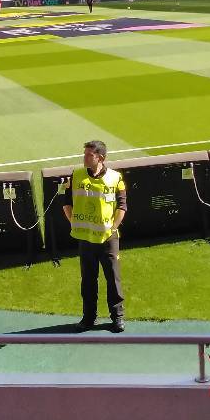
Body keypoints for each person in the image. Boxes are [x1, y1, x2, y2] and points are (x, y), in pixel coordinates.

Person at [63, 140, 127, 333]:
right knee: (88, 281)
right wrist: (74, 222)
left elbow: (122, 206)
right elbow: (67, 204)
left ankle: (117, 317)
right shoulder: (76, 175)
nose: (84, 158)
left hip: (108, 240)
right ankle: (89, 318)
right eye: (84, 154)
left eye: (88, 155)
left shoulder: (116, 178)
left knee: (113, 280)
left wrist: (113, 228)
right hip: (85, 240)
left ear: (100, 157)